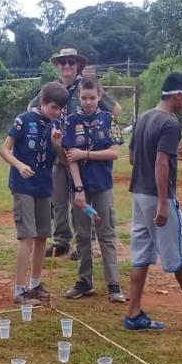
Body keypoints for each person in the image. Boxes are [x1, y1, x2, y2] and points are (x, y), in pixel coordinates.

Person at [30, 48, 120, 260]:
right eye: (63, 63)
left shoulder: (86, 87)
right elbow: (32, 108)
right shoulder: (52, 88)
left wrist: (95, 132)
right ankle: (61, 241)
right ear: (58, 66)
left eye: (71, 62)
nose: (67, 66)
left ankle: (84, 242)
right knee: (59, 199)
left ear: (78, 64)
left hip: (83, 153)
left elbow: (114, 110)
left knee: (81, 198)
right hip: (59, 152)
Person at [125, 71, 182, 330]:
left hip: (139, 196)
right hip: (157, 197)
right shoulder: (169, 123)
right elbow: (160, 162)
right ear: (178, 95)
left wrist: (169, 153)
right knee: (177, 254)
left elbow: (133, 157)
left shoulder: (143, 117)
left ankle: (133, 313)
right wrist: (164, 203)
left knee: (141, 255)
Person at [0, 81, 68, 305]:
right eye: (53, 107)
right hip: (23, 186)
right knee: (27, 236)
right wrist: (19, 166)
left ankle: (35, 284)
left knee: (41, 237)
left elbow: (64, 160)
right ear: (43, 102)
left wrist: (58, 144)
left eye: (59, 109)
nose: (56, 112)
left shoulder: (57, 126)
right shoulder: (24, 120)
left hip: (44, 186)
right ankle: (19, 290)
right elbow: (4, 149)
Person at [61, 77, 126, 303]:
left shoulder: (111, 120)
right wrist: (78, 188)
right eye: (84, 98)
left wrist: (86, 154)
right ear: (79, 97)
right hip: (80, 189)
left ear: (99, 97)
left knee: (106, 234)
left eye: (92, 98)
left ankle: (114, 285)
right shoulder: (70, 122)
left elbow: (115, 152)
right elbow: (70, 158)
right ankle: (84, 281)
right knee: (82, 235)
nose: (88, 102)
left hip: (102, 187)